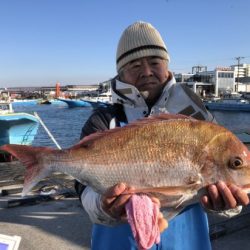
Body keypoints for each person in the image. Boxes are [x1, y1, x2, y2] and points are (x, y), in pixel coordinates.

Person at [75, 21, 249, 250]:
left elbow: (223, 173)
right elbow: (81, 184)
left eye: (155, 62)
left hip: (187, 242)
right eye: (135, 65)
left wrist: (228, 204)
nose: (147, 72)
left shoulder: (197, 116)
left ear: (167, 65)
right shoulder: (103, 120)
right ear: (121, 72)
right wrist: (102, 206)